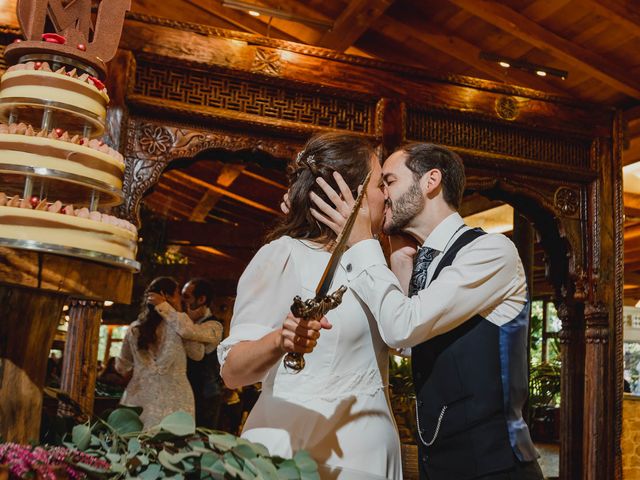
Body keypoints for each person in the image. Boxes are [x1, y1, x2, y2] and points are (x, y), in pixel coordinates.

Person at [310, 143, 543, 480]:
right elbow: (407, 343)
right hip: (439, 464)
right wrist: (401, 261)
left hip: (495, 466)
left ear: (431, 180)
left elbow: (402, 328)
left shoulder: (491, 251)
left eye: (389, 181)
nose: (382, 194)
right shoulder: (421, 258)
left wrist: (362, 243)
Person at [217, 132, 402, 479]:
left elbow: (404, 341)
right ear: (350, 194)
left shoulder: (375, 263)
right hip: (297, 452)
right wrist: (280, 340)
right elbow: (233, 372)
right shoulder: (285, 254)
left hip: (366, 455)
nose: (387, 194)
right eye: (380, 184)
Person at [116, 277, 208, 429]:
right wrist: (178, 312)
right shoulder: (181, 325)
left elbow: (122, 366)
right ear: (168, 296)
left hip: (140, 396)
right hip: (175, 399)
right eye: (179, 294)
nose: (182, 299)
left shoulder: (134, 329)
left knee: (137, 443)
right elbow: (197, 354)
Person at [178, 277, 225, 429]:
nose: (181, 300)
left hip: (206, 396)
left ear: (201, 299)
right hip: (183, 393)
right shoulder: (185, 323)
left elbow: (190, 333)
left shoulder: (214, 326)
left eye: (186, 296)